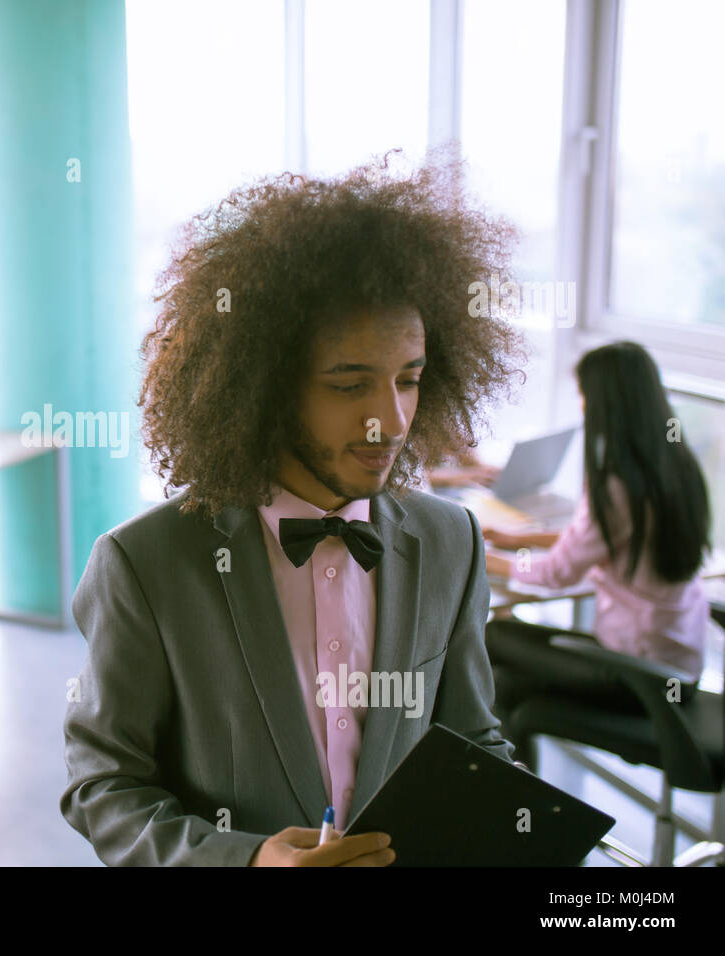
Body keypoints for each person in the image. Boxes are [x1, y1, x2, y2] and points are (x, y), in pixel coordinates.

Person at [60, 153, 530, 867]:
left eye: (409, 380)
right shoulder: (145, 565)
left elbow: (469, 742)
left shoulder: (450, 538)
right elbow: (104, 786)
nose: (393, 421)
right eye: (351, 386)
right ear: (266, 387)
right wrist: (246, 861)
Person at [483, 342, 712, 759]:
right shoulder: (675, 464)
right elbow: (602, 538)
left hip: (640, 676)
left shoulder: (616, 482)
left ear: (606, 402)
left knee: (493, 636)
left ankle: (523, 813)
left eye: (584, 396)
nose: (583, 407)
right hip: (677, 665)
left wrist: (484, 557)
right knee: (506, 686)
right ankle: (527, 810)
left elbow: (559, 573)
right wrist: (518, 540)